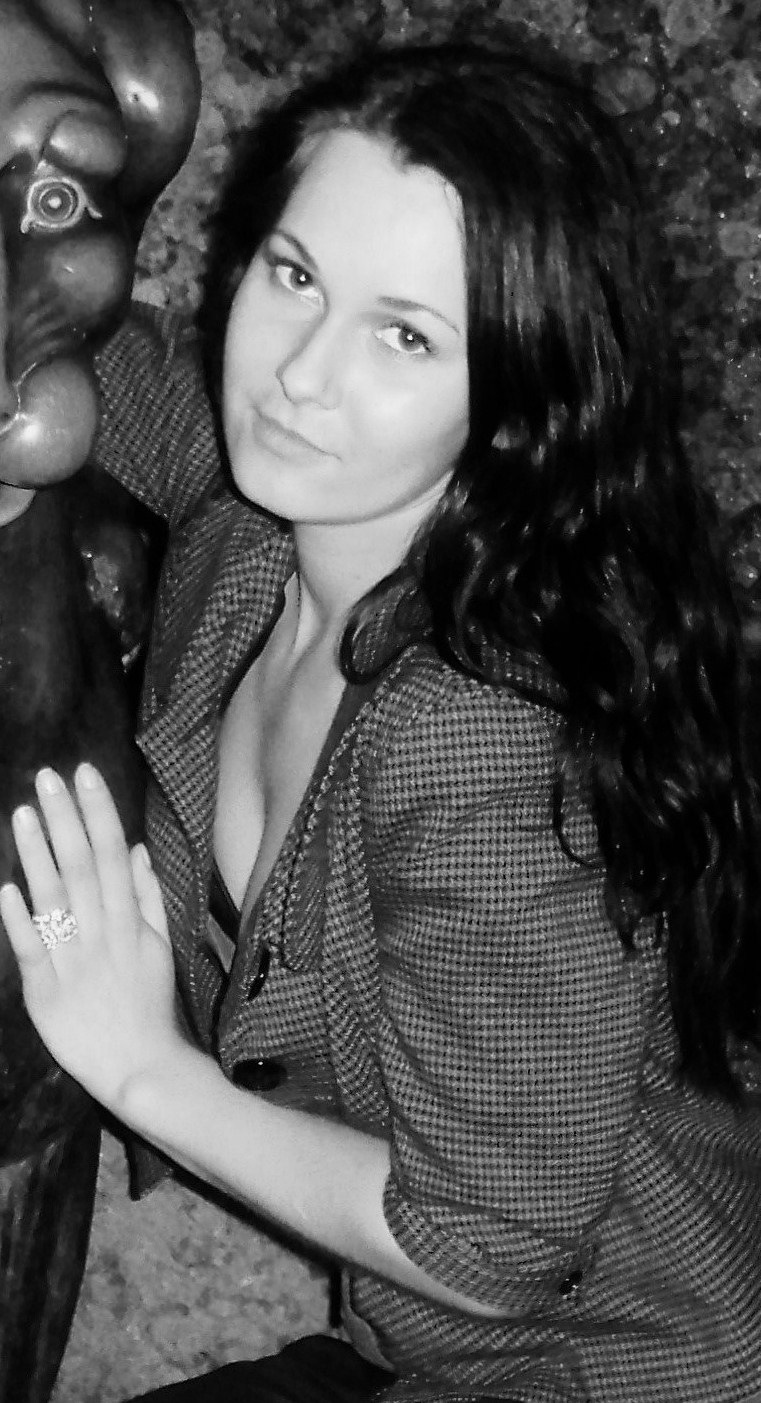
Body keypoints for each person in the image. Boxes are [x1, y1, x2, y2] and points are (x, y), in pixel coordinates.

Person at [2, 33, 761, 1403]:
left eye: (405, 335)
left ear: (520, 397)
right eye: (294, 276)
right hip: (414, 1350)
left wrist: (141, 1068)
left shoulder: (487, 740)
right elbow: (107, 367)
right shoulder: (269, 523)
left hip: (616, 1367)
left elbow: (486, 1249)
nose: (299, 373)